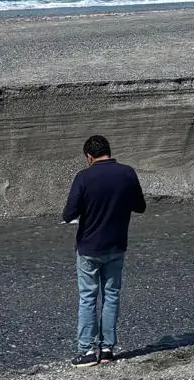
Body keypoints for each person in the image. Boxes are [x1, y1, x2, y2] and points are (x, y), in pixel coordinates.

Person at [61, 135, 147, 368]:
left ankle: (87, 351)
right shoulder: (127, 173)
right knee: (111, 296)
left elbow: (68, 214)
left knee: (88, 298)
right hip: (117, 244)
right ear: (108, 151)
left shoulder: (84, 177)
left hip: (89, 247)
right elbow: (140, 206)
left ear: (89, 156)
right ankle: (107, 349)